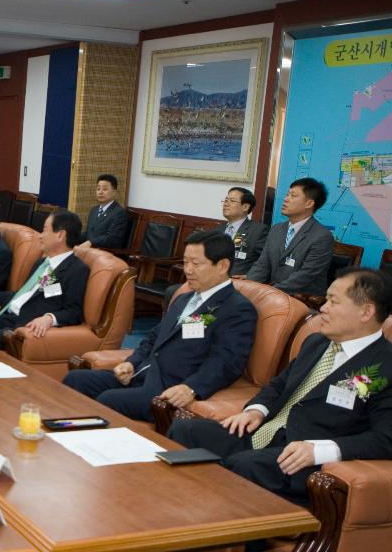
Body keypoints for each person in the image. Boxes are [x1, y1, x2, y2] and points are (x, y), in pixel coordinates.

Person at [168, 268, 392, 503]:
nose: (323, 308)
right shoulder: (316, 343)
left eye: (333, 302)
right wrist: (256, 410)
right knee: (184, 430)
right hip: (263, 434)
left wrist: (320, 450)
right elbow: (278, 385)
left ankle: (231, 547)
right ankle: (174, 509)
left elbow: (389, 439)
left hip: (301, 459)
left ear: (366, 312)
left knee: (245, 466)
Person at [65, 232, 256, 421]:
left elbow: (226, 361)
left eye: (196, 264)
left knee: (109, 400)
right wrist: (132, 362)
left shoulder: (236, 309)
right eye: (185, 262)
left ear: (223, 266)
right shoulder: (184, 298)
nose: (188, 270)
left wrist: (191, 388)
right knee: (76, 380)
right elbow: (154, 337)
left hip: (166, 389)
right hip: (140, 376)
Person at [0, 208, 89, 348]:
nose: (40, 235)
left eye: (45, 230)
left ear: (60, 235)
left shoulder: (76, 269)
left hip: (21, 326)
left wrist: (49, 318)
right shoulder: (43, 264)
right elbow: (25, 293)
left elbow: (73, 311)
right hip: (5, 318)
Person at [243, 177, 334, 296]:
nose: (286, 199)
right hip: (273, 294)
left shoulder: (322, 236)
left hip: (302, 298)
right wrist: (247, 287)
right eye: (287, 195)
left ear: (309, 203)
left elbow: (305, 275)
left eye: (293, 196)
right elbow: (262, 265)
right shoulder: (276, 229)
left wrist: (268, 293)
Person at [215, 186, 268, 277]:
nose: (226, 204)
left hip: (238, 282)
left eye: (232, 201)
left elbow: (265, 261)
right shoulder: (218, 229)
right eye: (226, 200)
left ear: (245, 207)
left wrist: (249, 276)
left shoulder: (258, 231)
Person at [83, 174, 128, 250]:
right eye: (98, 189)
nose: (100, 192)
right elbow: (88, 233)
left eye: (104, 189)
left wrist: (91, 242)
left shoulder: (119, 213)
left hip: (105, 253)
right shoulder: (94, 210)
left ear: (114, 192)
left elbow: (112, 238)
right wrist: (70, 237)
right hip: (90, 250)